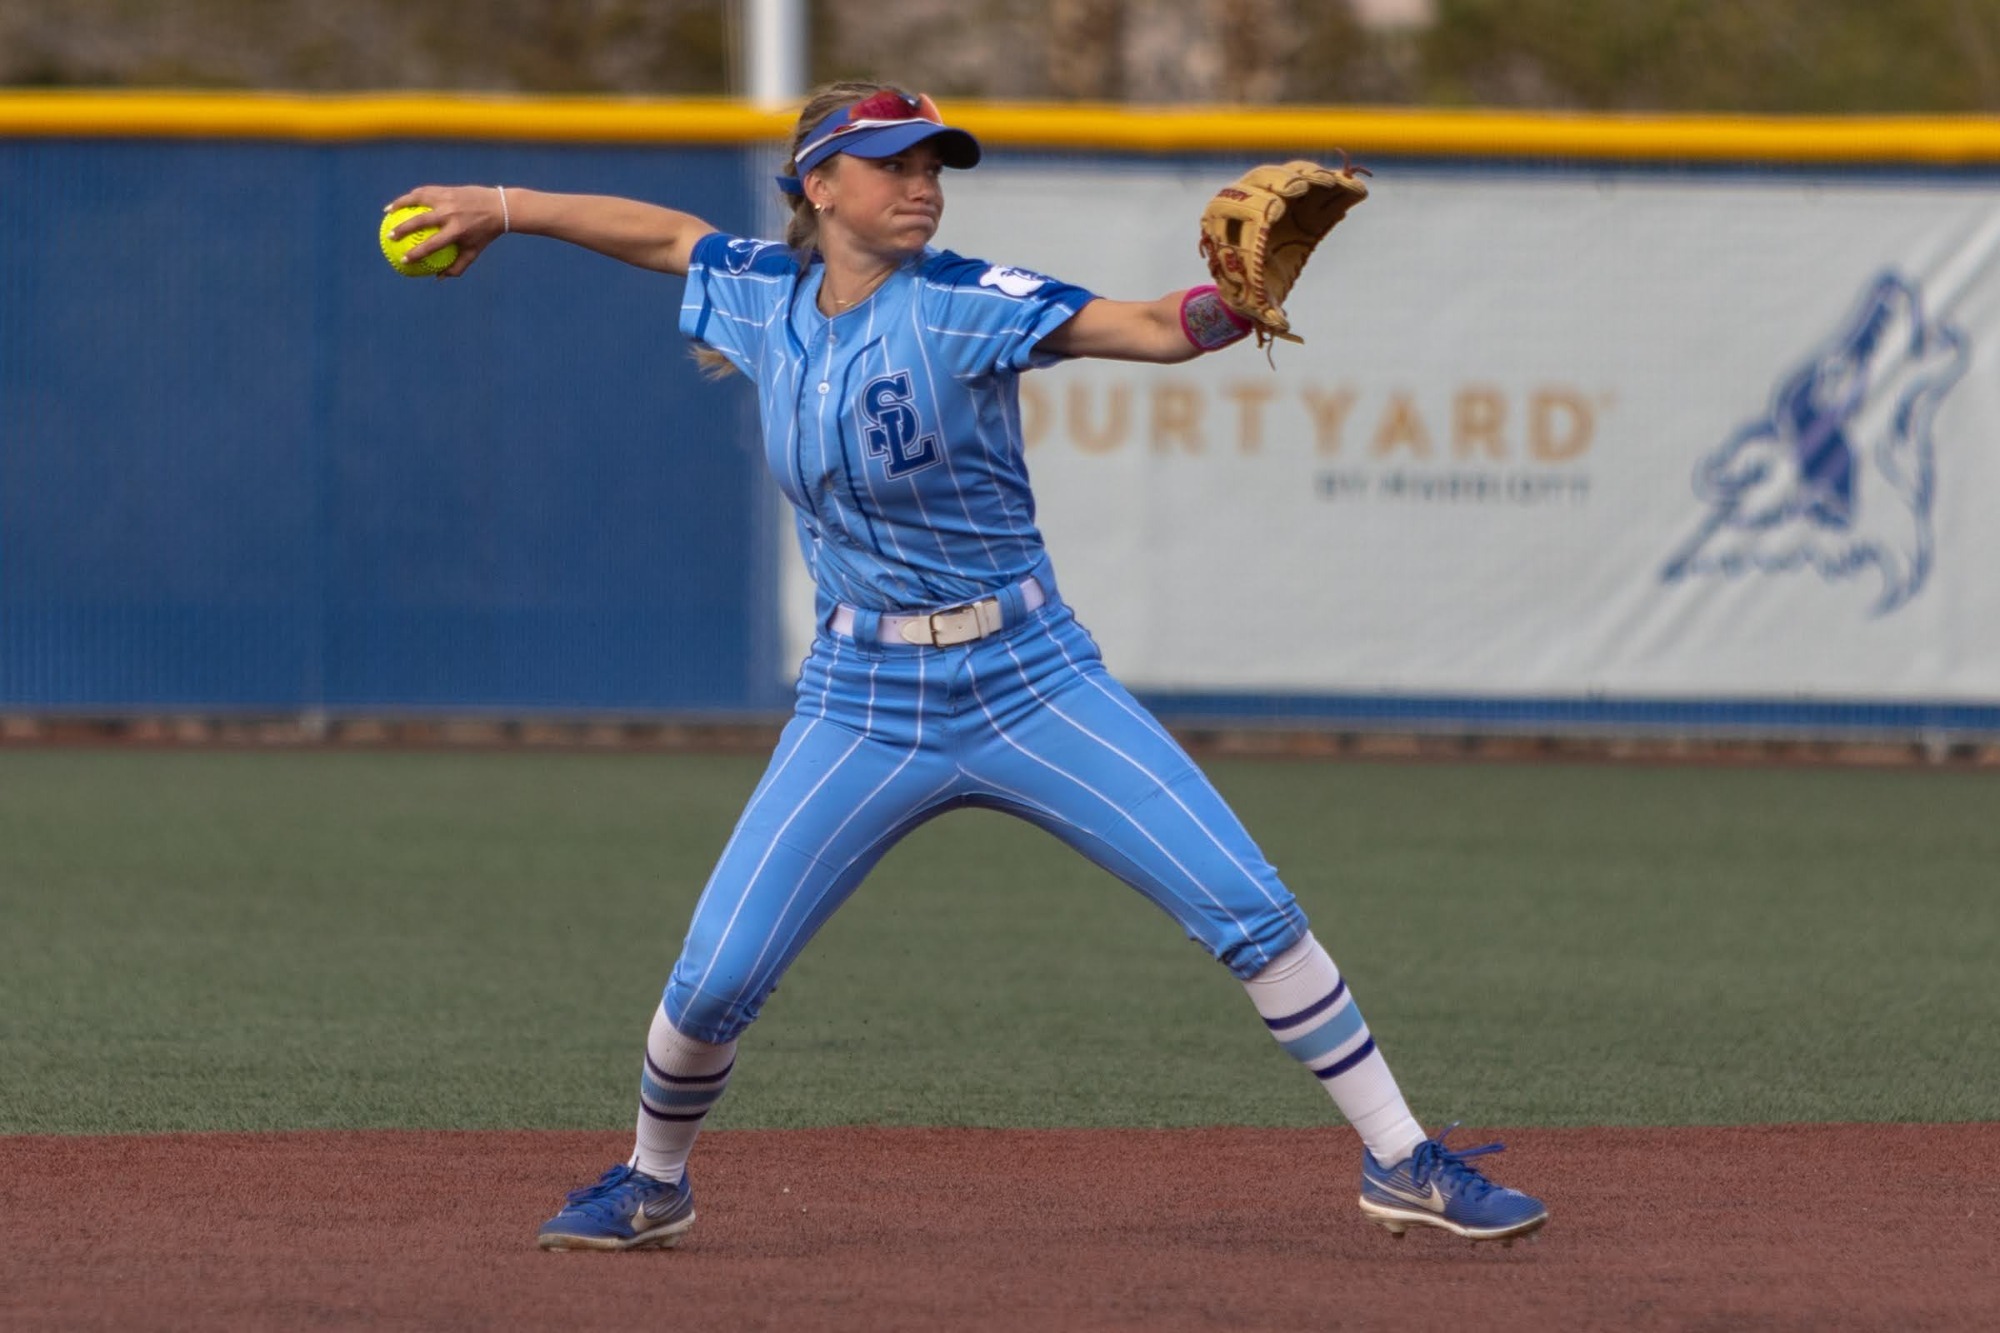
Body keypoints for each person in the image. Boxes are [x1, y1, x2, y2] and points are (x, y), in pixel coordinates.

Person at [388, 80, 1548, 1252]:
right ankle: (652, 1181)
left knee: (1248, 908)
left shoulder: (965, 302)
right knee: (712, 980)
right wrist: (502, 205)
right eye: (892, 164)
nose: (921, 185)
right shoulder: (761, 293)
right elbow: (665, 237)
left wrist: (1227, 307)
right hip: (860, 700)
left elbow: (1149, 327)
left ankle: (1402, 1157)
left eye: (932, 165)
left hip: (1028, 677)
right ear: (817, 185)